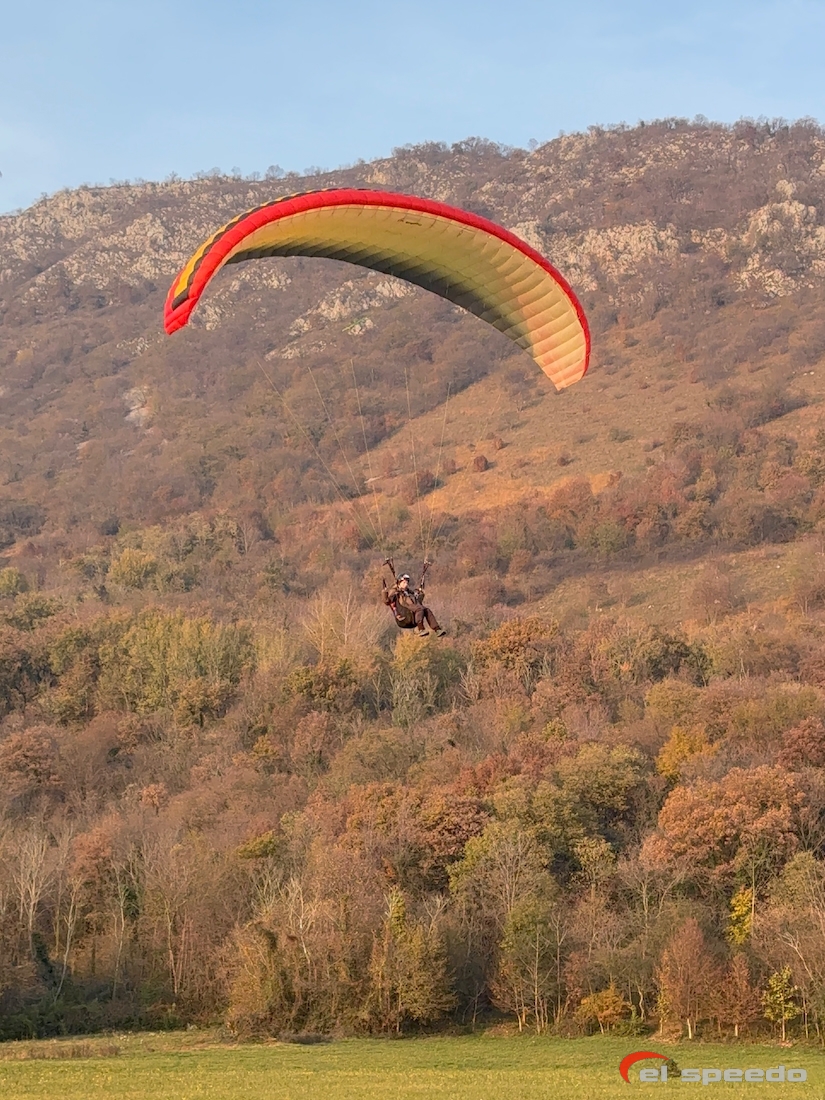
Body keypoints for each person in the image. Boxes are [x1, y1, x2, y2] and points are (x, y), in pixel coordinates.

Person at [383, 572, 446, 637]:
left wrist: (420, 593)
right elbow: (387, 601)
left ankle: (437, 629)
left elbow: (418, 601)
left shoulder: (409, 592)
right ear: (399, 583)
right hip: (404, 616)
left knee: (426, 610)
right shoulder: (395, 592)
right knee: (420, 608)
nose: (406, 584)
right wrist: (384, 592)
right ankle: (421, 629)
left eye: (407, 583)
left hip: (412, 615)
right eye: (404, 583)